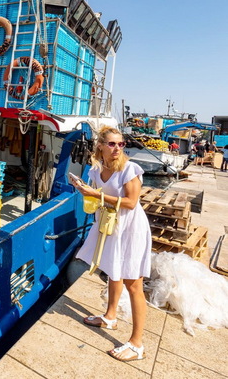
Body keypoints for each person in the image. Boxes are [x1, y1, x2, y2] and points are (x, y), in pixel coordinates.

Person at [70, 126, 151, 362]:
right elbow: (97, 195)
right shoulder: (96, 170)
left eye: (121, 144)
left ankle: (137, 344)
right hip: (111, 226)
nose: (117, 148)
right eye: (112, 144)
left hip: (131, 228)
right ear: (101, 146)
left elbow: (131, 202)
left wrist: (97, 196)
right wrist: (85, 191)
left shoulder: (129, 169)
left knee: (134, 284)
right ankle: (110, 317)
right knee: (113, 272)